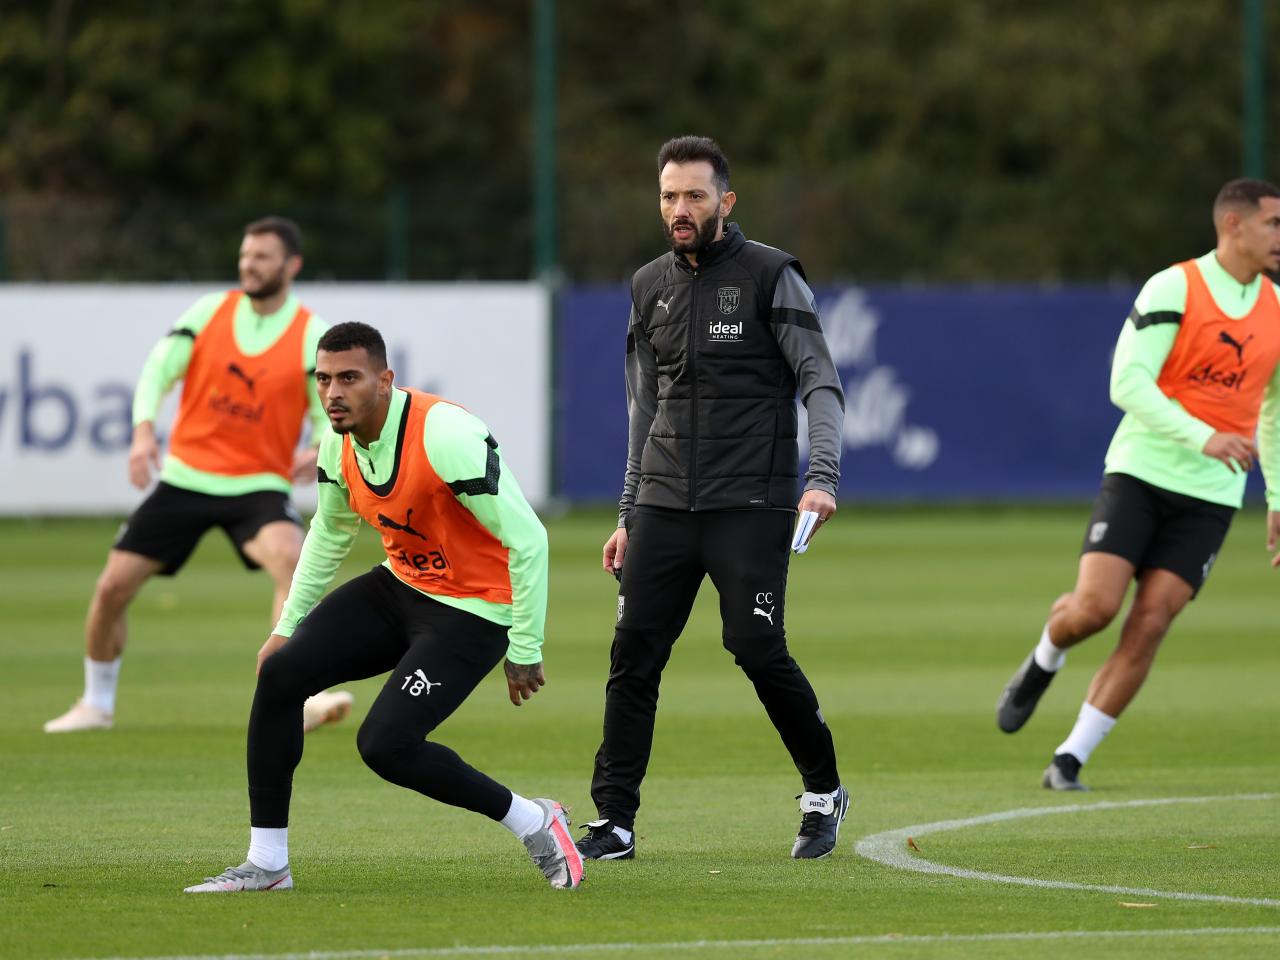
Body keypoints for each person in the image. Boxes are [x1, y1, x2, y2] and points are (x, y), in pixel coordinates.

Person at [184, 322, 582, 892]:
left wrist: (525, 646)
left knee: (385, 746)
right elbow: (328, 533)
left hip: (475, 610)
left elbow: (530, 539)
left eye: (349, 378)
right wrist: (286, 627)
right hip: (402, 587)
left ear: (385, 380)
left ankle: (534, 821)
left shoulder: (444, 434)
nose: (333, 393)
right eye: (323, 380)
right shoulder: (336, 440)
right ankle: (268, 864)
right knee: (280, 674)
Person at [576, 135, 849, 863]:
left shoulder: (771, 276)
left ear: (725, 202)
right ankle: (614, 820)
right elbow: (645, 408)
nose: (680, 209)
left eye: (695, 195)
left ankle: (823, 792)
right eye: (669, 195)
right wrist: (628, 514)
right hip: (664, 501)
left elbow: (819, 381)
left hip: (750, 501)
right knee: (633, 654)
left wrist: (821, 477)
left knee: (755, 647)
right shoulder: (647, 286)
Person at [997, 178, 1280, 790]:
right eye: (1273, 224)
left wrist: (1277, 497)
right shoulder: (1176, 285)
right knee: (1094, 609)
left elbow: (1274, 409)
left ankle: (1070, 758)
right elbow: (1126, 383)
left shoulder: (1276, 309)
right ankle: (1046, 655)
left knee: (1151, 621)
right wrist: (1203, 435)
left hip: (1213, 496)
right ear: (1234, 225)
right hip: (1141, 472)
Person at [44, 216, 353, 735]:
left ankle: (303, 696)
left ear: (291, 265)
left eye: (261, 257)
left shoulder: (310, 334)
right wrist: (143, 431)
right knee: (111, 587)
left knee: (293, 562)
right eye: (245, 255)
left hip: (258, 483)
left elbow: (329, 408)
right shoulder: (210, 311)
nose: (248, 265)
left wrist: (319, 444)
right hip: (186, 478)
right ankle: (96, 704)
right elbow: (157, 371)